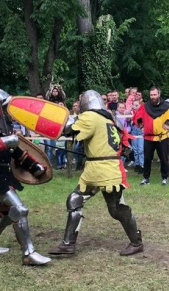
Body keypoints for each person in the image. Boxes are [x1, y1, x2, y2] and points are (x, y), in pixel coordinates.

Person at [49, 90, 143, 257]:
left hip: (104, 169)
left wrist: (50, 120)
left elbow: (68, 129)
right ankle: (68, 244)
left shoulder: (91, 117)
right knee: (75, 199)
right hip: (99, 168)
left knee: (117, 209)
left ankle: (136, 242)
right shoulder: (110, 117)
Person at [0, 87, 50, 265]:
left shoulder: (3, 124)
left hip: (2, 174)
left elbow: (14, 150)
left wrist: (34, 166)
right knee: (20, 210)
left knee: (6, 214)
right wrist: (2, 143)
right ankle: (28, 253)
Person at [134, 87, 169, 186]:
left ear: (159, 94)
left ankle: (165, 178)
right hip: (148, 137)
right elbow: (137, 116)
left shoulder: (166, 107)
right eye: (151, 95)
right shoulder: (145, 106)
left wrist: (168, 124)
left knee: (164, 159)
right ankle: (146, 178)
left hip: (162, 137)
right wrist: (141, 125)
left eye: (154, 95)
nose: (153, 97)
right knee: (147, 159)